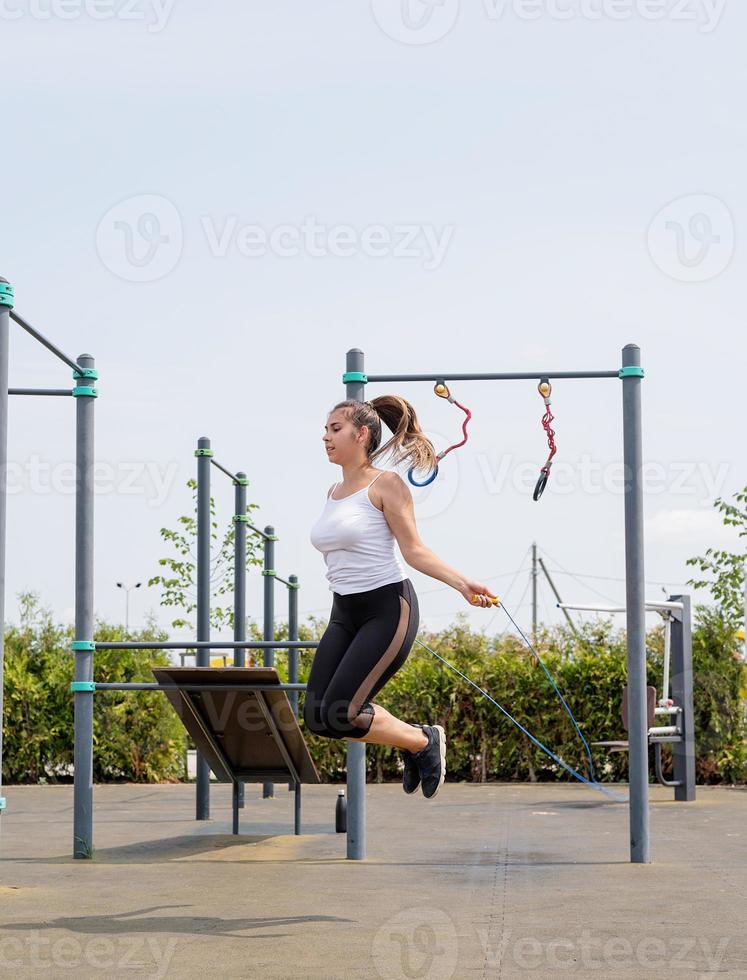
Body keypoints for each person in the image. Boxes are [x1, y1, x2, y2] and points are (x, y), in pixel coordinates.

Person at [307, 395, 497, 799]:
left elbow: (414, 551)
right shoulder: (333, 490)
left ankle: (422, 743)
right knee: (318, 718)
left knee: (342, 713)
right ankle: (419, 741)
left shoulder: (386, 484)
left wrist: (464, 584)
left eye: (334, 429)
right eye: (325, 430)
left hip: (387, 609)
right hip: (344, 612)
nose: (325, 437)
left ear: (361, 434)